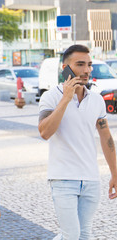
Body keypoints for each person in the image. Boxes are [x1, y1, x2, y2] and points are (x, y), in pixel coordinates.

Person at [38, 44, 117, 239]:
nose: (86, 70)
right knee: (71, 235)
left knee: (84, 235)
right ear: (65, 67)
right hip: (63, 178)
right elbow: (45, 132)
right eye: (80, 64)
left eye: (89, 64)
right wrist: (66, 98)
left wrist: (115, 173)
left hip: (90, 179)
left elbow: (106, 137)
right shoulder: (51, 97)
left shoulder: (97, 100)